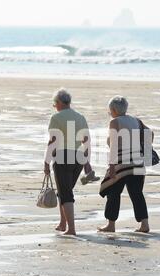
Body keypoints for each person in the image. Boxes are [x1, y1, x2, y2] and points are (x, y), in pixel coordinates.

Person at [98, 96, 150, 233]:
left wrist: (111, 166)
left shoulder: (115, 122)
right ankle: (144, 224)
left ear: (114, 110)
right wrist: (144, 149)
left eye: (109, 111)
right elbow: (150, 133)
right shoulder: (136, 120)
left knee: (113, 192)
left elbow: (114, 145)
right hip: (138, 162)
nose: (110, 113)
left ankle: (111, 225)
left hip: (121, 164)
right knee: (137, 193)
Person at [44, 88, 91, 236]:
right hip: (78, 157)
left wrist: (46, 162)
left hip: (63, 156)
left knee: (66, 193)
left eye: (54, 103)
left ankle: (71, 229)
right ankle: (63, 223)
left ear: (58, 102)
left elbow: (53, 141)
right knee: (64, 190)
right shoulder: (80, 117)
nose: (54, 106)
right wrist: (86, 162)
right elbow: (86, 140)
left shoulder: (56, 117)